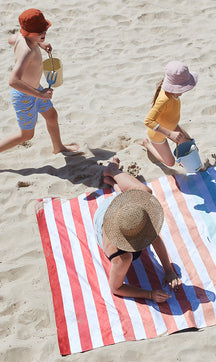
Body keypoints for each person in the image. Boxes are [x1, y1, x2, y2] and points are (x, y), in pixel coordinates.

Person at [93, 157, 181, 302]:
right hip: (103, 216)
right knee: (142, 192)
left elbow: (155, 239)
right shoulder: (123, 257)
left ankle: (114, 177)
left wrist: (169, 271)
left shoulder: (134, 218)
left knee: (145, 191)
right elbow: (116, 288)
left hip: (116, 212)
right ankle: (114, 178)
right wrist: (150, 295)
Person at [1, 9, 80, 155]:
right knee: (26, 135)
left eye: (44, 31)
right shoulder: (27, 52)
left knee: (52, 116)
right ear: (29, 33)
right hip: (24, 96)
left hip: (36, 89)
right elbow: (13, 81)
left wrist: (39, 43)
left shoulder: (21, 37)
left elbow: (11, 39)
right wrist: (40, 94)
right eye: (39, 33)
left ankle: (58, 147)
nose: (43, 35)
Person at [141, 60, 198, 167]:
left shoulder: (174, 94)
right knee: (170, 163)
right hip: (157, 133)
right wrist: (170, 134)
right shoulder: (164, 99)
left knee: (190, 145)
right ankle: (147, 144)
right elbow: (148, 121)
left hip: (172, 125)